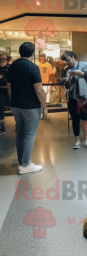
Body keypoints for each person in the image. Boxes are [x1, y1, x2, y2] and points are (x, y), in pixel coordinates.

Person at [6, 42, 47, 174]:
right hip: (30, 106)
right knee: (29, 135)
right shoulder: (33, 67)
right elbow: (39, 89)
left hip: (16, 105)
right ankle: (25, 165)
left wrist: (13, 101)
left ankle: (23, 162)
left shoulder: (12, 66)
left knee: (20, 134)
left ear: (20, 52)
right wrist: (45, 107)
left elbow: (9, 87)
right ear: (33, 53)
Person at [61, 51, 87, 149]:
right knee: (75, 120)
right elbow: (67, 86)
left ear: (73, 56)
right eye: (66, 61)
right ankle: (77, 141)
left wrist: (80, 73)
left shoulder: (84, 65)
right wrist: (70, 77)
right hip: (73, 97)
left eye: (68, 60)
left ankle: (86, 140)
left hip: (85, 96)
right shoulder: (67, 70)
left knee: (85, 119)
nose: (68, 62)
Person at [0, 53, 9, 135]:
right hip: (0, 91)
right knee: (0, 108)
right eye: (1, 58)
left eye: (4, 59)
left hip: (9, 90)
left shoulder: (10, 68)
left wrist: (2, 77)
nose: (3, 60)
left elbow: (12, 78)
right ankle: (1, 127)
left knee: (14, 107)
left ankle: (18, 125)